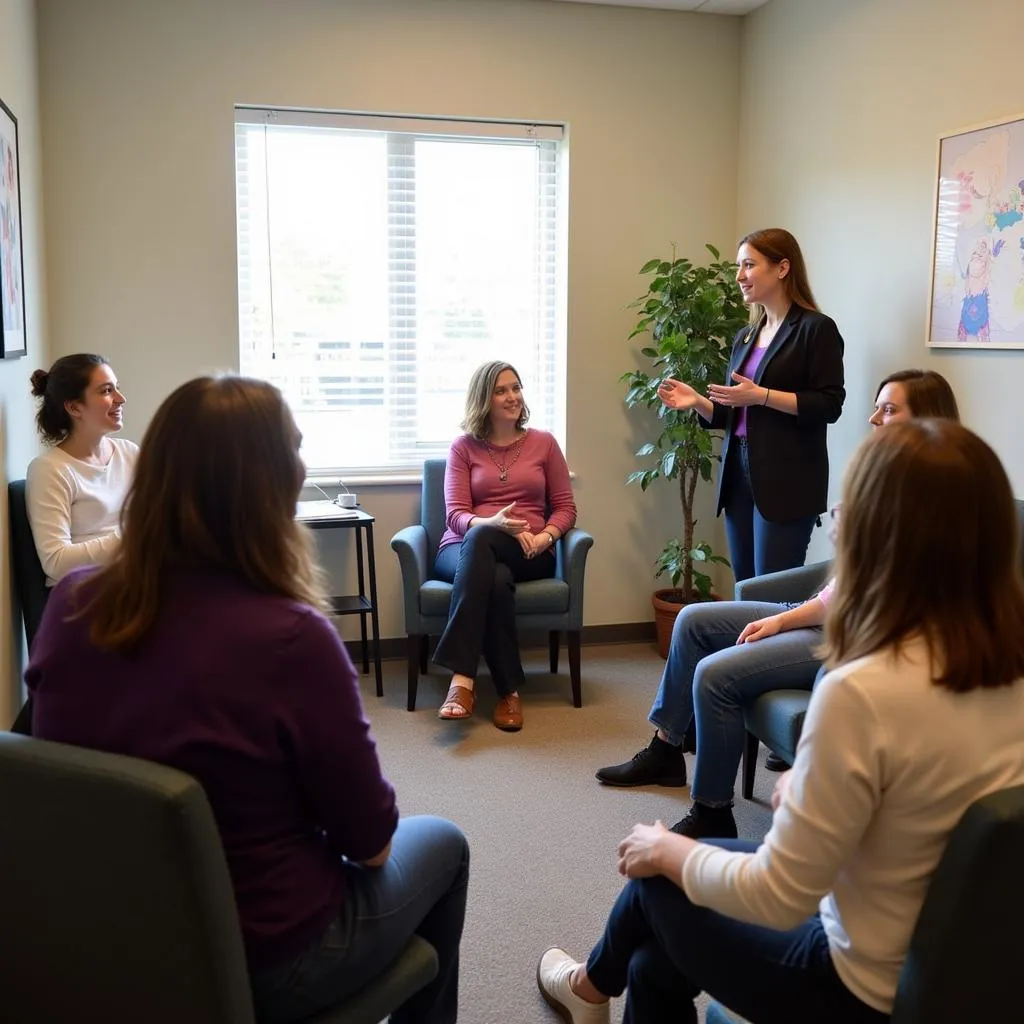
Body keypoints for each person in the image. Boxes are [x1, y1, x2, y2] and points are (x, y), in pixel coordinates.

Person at [539, 418, 1024, 1024]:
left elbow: (779, 894)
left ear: (877, 536)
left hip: (855, 985)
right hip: (965, 974)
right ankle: (594, 987)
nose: (837, 514)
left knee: (656, 882)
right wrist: (804, 791)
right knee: (651, 964)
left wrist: (663, 851)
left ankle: (586, 988)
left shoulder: (864, 691)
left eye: (851, 505)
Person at [25, 376, 469, 1024]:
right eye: (294, 450)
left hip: (107, 940)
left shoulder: (70, 602)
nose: (304, 465)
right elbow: (371, 844)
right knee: (446, 846)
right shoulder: (292, 637)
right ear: (271, 486)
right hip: (269, 959)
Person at [595, 370, 960, 840]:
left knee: (715, 674)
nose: (873, 418)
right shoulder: (886, 475)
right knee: (691, 620)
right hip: (827, 610)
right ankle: (667, 750)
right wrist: (791, 612)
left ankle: (712, 811)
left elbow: (867, 600)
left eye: (889, 409)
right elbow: (844, 582)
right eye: (877, 406)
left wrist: (785, 620)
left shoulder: (937, 498)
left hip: (857, 635)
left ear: (928, 420)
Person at [658, 228, 845, 583]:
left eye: (748, 265)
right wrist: (698, 401)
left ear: (782, 268)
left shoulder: (815, 329)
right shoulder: (745, 336)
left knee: (769, 592)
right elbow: (733, 414)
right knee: (744, 587)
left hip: (786, 479)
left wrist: (763, 395)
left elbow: (829, 404)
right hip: (739, 475)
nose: (739, 276)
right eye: (738, 267)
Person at [433, 360, 576, 731]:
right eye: (501, 390)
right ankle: (508, 692)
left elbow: (565, 508)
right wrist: (493, 524)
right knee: (492, 571)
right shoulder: (463, 448)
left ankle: (461, 678)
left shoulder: (544, 443)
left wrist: (545, 537)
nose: (512, 396)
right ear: (484, 399)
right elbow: (456, 516)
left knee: (488, 548)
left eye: (516, 387)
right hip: (462, 548)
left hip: (530, 550)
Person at [25, 353, 138, 587]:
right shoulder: (50, 470)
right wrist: (134, 539)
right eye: (107, 391)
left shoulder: (130, 453)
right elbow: (55, 561)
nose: (121, 398)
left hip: (135, 580)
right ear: (74, 407)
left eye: (117, 388)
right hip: (85, 593)